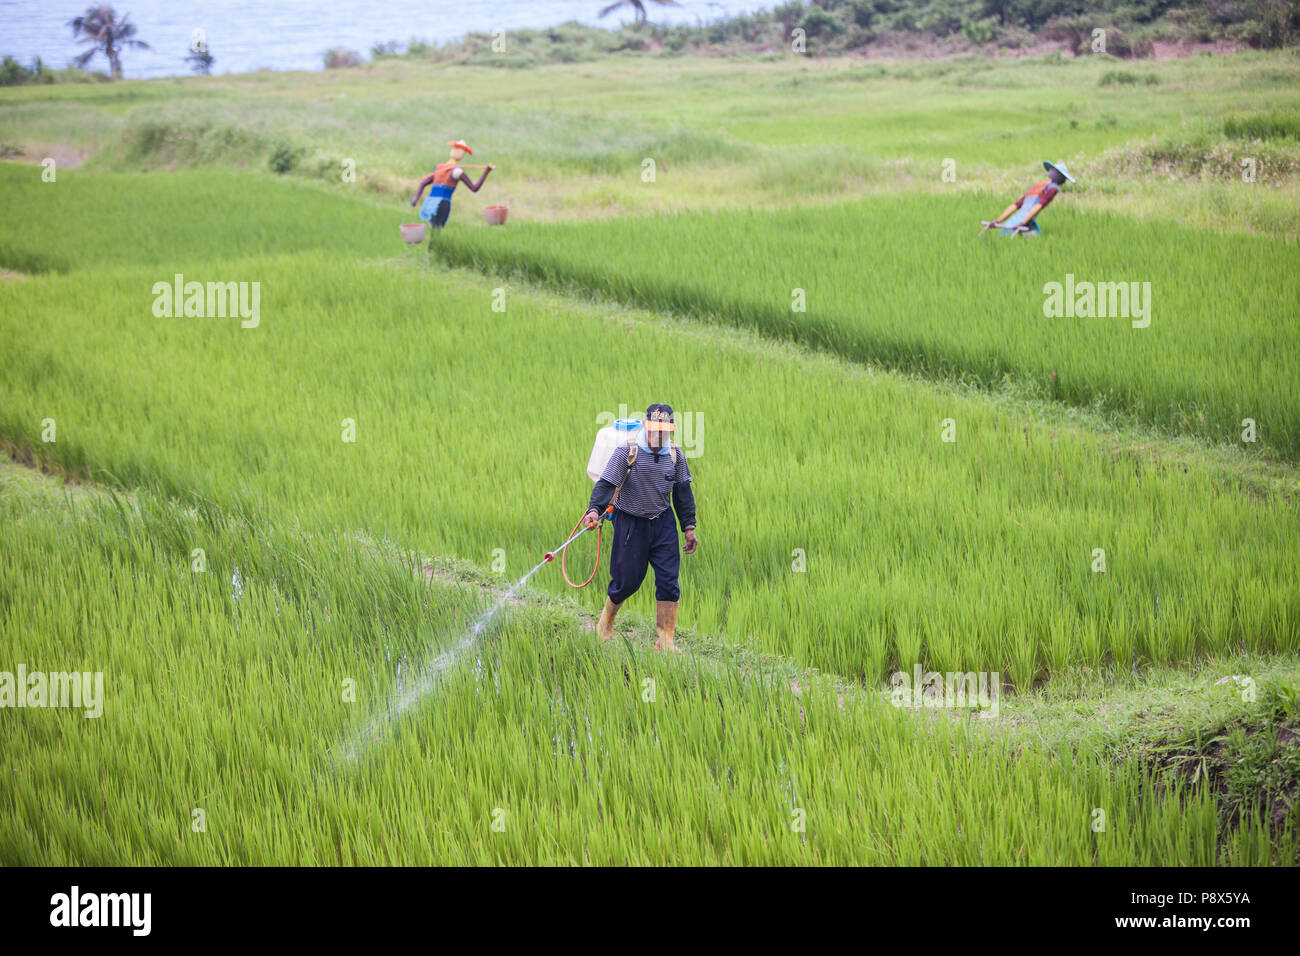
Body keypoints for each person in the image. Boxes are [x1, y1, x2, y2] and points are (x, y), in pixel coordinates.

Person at [583, 404, 698, 653]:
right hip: (631, 523)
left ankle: (665, 640)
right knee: (627, 581)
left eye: (664, 431)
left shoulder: (675, 456)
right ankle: (605, 623)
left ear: (670, 430)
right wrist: (594, 510)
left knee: (669, 580)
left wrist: (688, 527)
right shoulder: (627, 451)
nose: (658, 436)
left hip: (662, 522)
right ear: (646, 426)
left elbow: (683, 493)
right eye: (655, 430)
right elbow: (606, 484)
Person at [410, 140, 494, 241]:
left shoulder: (438, 167)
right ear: (462, 154)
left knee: (434, 231)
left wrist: (415, 200)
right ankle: (433, 253)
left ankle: (432, 253)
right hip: (442, 203)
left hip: (430, 203)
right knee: (436, 233)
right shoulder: (457, 171)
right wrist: (486, 172)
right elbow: (474, 188)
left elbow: (423, 183)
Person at [984, 160, 1076, 236]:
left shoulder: (1036, 185)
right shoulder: (1053, 188)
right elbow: (1038, 206)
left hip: (1014, 220)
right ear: (1061, 178)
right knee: (1038, 244)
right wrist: (1023, 222)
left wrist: (998, 220)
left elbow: (1017, 204)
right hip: (1025, 222)